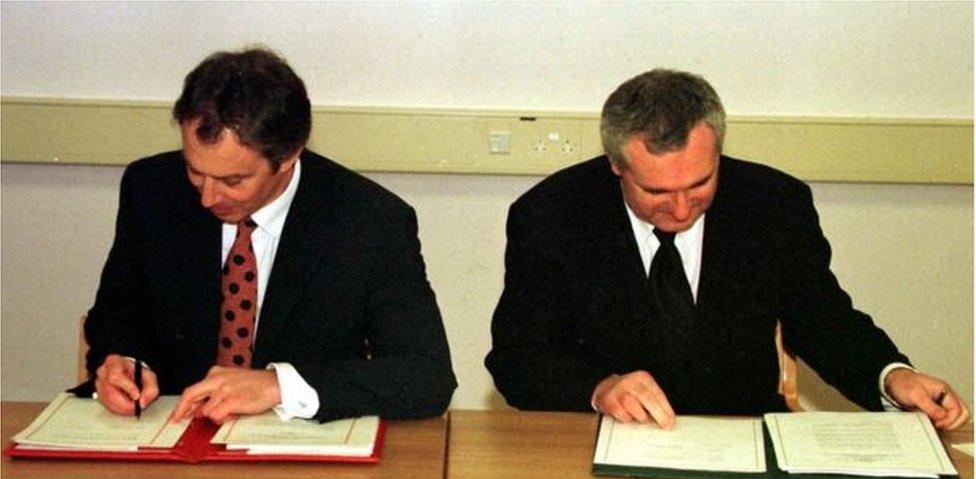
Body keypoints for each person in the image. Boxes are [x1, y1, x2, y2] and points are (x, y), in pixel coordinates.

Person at [485, 68, 969, 430]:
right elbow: (517, 358)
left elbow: (822, 319)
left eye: (699, 184)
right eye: (656, 192)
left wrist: (891, 376)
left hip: (744, 438)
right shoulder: (551, 216)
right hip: (603, 443)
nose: (680, 209)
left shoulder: (773, 204)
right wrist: (600, 388)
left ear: (718, 151)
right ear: (616, 165)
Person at [77, 47, 456, 424]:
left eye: (232, 181)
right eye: (195, 171)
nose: (208, 197)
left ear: (289, 155)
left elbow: (426, 377)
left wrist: (278, 386)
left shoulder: (368, 222)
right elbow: (117, 316)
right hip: (171, 445)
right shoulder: (152, 189)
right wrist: (123, 362)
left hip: (298, 463)